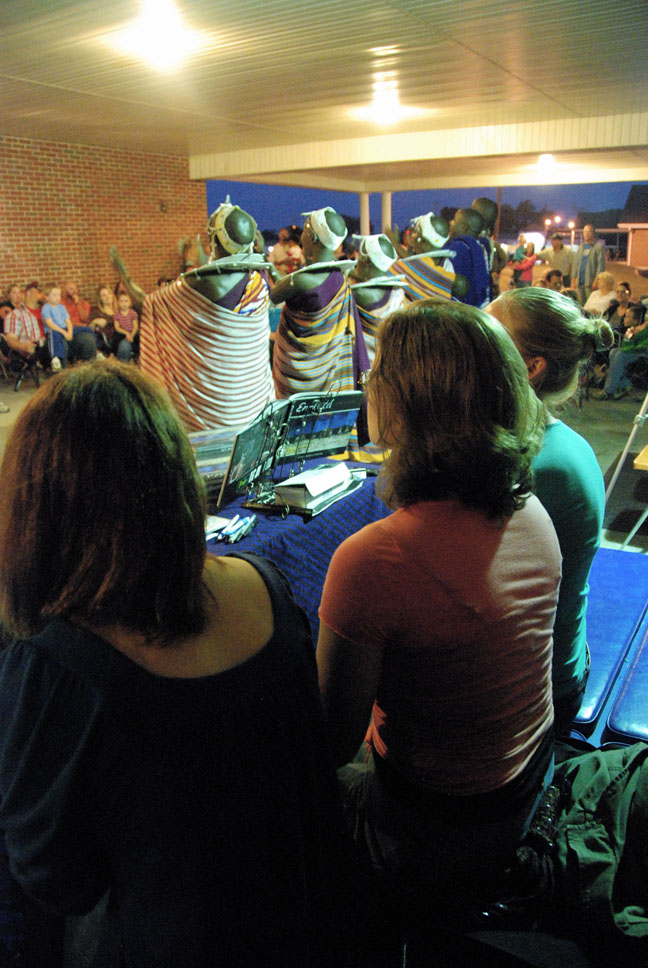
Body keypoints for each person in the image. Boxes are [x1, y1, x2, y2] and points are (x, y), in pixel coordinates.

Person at [0, 360, 358, 968]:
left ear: (39, 507)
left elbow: (59, 880)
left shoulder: (56, 666)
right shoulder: (265, 585)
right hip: (308, 919)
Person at [317, 300, 560, 913]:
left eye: (379, 372)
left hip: (436, 825)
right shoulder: (530, 508)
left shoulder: (374, 558)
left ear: (411, 401)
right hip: (525, 786)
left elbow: (329, 740)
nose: (368, 383)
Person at [488, 288, 613, 731]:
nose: (475, 340)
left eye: (490, 333)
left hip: (542, 692)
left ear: (530, 367)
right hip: (562, 662)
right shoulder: (561, 442)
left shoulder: (533, 466)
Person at [139, 197, 275, 432]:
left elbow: (153, 303)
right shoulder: (260, 279)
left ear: (213, 240)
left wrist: (125, 275)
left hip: (209, 419)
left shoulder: (197, 284)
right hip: (252, 405)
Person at [271, 206, 369, 398]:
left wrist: (270, 269)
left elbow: (273, 295)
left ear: (314, 238)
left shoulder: (301, 280)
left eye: (305, 231)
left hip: (299, 378)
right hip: (331, 375)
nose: (301, 236)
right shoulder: (338, 277)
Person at [348, 233, 405, 366]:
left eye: (360, 258)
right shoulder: (397, 290)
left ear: (367, 261)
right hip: (392, 363)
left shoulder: (360, 293)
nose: (357, 262)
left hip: (371, 366)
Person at [388, 213, 458, 302]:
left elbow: (418, 268)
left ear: (422, 240)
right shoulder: (447, 265)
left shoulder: (411, 267)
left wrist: (394, 244)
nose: (412, 236)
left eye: (415, 233)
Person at [593, 303, 648, 400]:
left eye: (628, 317)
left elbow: (641, 344)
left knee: (619, 355)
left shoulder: (644, 327)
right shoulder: (639, 326)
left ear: (636, 320)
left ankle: (608, 391)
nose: (625, 319)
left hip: (642, 352)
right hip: (634, 350)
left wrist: (636, 333)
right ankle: (625, 383)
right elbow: (626, 345)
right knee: (614, 351)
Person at [447, 208, 491, 307]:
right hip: (476, 306)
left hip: (459, 307)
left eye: (454, 220)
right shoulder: (480, 247)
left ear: (463, 228)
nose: (451, 222)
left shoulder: (456, 248)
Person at [41, 282, 72, 370]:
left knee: (85, 329)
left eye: (59, 294)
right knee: (55, 335)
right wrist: (64, 332)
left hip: (64, 329)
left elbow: (68, 322)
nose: (58, 297)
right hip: (53, 330)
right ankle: (55, 359)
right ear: (47, 297)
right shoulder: (46, 308)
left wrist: (70, 332)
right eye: (54, 295)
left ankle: (98, 351)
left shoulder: (62, 307)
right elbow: (50, 324)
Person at [571, 225, 606, 303]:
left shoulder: (598, 247)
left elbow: (601, 265)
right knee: (580, 304)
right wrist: (573, 279)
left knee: (591, 304)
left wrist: (597, 280)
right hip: (579, 283)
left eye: (589, 231)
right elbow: (575, 264)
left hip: (591, 283)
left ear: (593, 233)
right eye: (584, 232)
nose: (586, 234)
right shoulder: (581, 248)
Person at [90, 284, 117, 355]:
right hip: (107, 341)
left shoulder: (121, 309)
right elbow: (90, 329)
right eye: (104, 295)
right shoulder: (96, 311)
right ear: (100, 299)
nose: (107, 296)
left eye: (109, 293)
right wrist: (94, 321)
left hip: (122, 337)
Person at [113, 291, 139, 361]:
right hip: (122, 334)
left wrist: (131, 335)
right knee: (121, 344)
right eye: (121, 301)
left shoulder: (133, 313)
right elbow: (117, 327)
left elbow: (135, 326)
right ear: (118, 302)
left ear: (130, 302)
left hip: (133, 333)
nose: (124, 303)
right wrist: (126, 333)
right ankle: (122, 361)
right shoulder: (116, 315)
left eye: (126, 301)